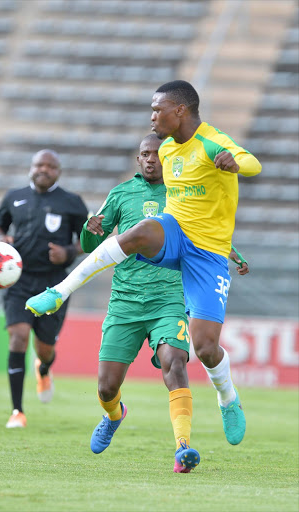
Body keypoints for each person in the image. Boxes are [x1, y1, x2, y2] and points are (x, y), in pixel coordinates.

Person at [26, 80, 261, 453]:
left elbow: (252, 162)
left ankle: (228, 398)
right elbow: (183, 205)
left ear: (180, 110)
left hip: (206, 254)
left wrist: (235, 163)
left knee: (206, 348)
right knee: (139, 234)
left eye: (157, 110)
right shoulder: (167, 150)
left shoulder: (213, 141)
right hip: (173, 235)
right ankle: (59, 291)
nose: (152, 117)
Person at [0, 149, 88, 428]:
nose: (43, 169)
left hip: (55, 284)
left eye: (50, 166)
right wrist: (0, 237)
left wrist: (69, 251)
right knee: (18, 337)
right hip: (18, 280)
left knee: (45, 349)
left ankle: (43, 368)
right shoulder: (14, 196)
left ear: (58, 171)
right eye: (39, 164)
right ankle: (17, 412)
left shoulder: (71, 202)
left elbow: (89, 240)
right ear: (31, 168)